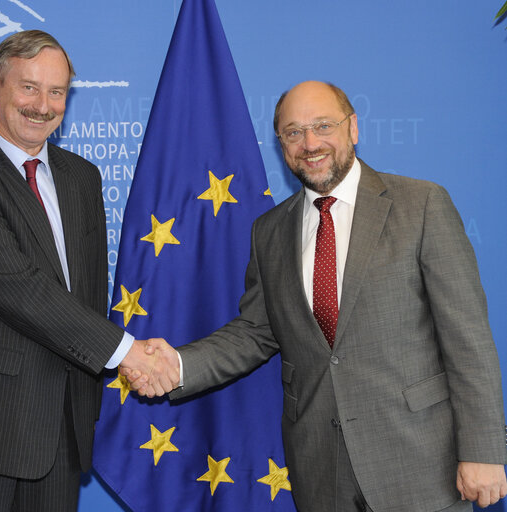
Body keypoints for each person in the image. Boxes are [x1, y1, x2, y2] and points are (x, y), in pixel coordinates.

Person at [125, 81, 507, 511]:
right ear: (281, 144)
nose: (310, 143)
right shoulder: (269, 231)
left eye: (323, 125)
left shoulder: (421, 205)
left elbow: (468, 339)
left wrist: (484, 449)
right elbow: (255, 332)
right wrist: (176, 365)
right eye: (293, 132)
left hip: (419, 464)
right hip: (321, 471)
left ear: (353, 128)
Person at [0, 30, 174, 512]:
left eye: (57, 92)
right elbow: (20, 290)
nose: (43, 105)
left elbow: (86, 293)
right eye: (28, 87)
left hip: (61, 427)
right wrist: (127, 354)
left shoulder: (82, 177)